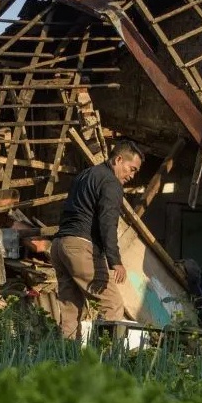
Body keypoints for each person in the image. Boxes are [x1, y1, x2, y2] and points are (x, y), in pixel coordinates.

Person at [50, 139, 143, 341]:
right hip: (81, 247)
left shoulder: (86, 175)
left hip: (60, 245)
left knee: (71, 308)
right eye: (131, 169)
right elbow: (107, 223)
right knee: (112, 304)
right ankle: (103, 360)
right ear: (119, 159)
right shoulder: (111, 183)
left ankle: (65, 360)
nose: (132, 175)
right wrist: (115, 261)